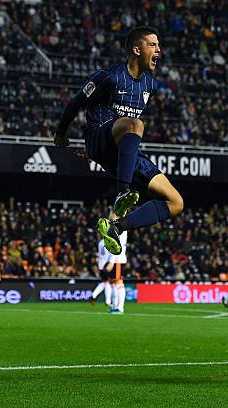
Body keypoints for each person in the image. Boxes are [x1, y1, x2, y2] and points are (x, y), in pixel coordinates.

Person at [53, 26, 184, 255]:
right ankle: (124, 190)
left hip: (122, 150)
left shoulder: (149, 84)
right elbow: (76, 102)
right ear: (136, 49)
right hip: (99, 137)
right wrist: (61, 133)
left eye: (158, 45)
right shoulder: (109, 76)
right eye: (153, 44)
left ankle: (117, 226)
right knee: (135, 124)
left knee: (176, 202)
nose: (159, 50)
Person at [89, 238, 115, 307]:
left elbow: (101, 254)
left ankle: (93, 296)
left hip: (101, 264)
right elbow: (110, 254)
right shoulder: (109, 242)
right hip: (106, 265)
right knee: (108, 282)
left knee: (105, 282)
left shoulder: (100, 242)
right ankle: (108, 301)